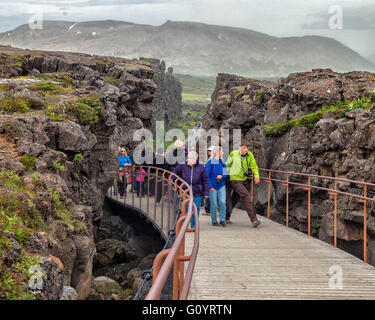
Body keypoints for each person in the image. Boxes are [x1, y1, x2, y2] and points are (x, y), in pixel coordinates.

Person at [225, 140, 261, 228]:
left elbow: (254, 166)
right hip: (234, 180)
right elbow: (227, 165)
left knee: (234, 199)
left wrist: (257, 176)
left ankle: (226, 217)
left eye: (247, 148)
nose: (246, 149)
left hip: (244, 180)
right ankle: (254, 219)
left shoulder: (250, 155)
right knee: (246, 196)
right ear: (240, 147)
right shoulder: (233, 154)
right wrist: (225, 176)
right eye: (244, 147)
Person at [173, 151, 209, 228]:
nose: (189, 160)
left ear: (195, 159)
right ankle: (184, 226)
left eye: (191, 159)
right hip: (185, 192)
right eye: (188, 158)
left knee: (195, 210)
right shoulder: (183, 165)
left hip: (197, 192)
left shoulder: (201, 167)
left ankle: (194, 226)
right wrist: (173, 181)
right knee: (185, 210)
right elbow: (174, 172)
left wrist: (206, 192)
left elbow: (205, 180)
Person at [205, 146, 227, 227]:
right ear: (217, 152)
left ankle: (222, 219)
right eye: (222, 151)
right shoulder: (209, 163)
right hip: (212, 187)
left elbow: (225, 173)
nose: (223, 153)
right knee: (214, 203)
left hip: (221, 185)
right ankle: (214, 220)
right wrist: (210, 186)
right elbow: (206, 176)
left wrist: (222, 176)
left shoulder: (223, 162)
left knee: (222, 202)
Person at [203, 145, 216, 215]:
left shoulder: (212, 160)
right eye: (209, 151)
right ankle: (209, 209)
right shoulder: (211, 159)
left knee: (208, 195)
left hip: (211, 179)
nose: (208, 152)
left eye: (210, 151)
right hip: (211, 179)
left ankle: (208, 210)